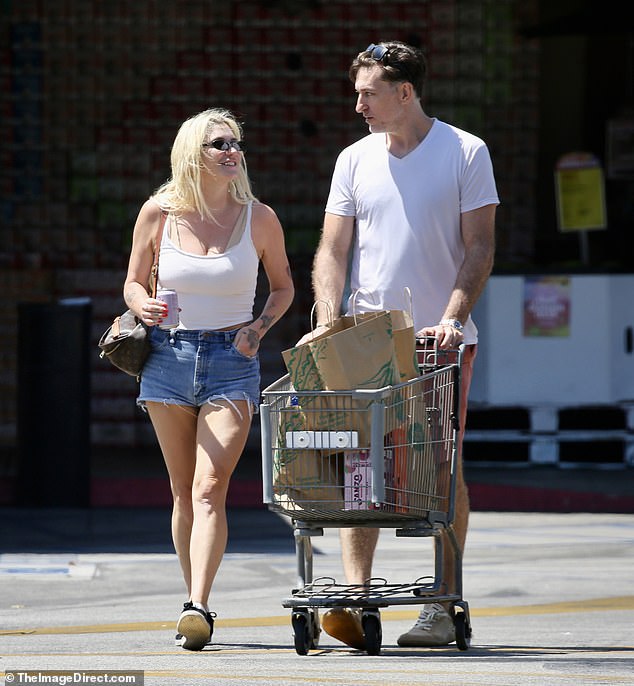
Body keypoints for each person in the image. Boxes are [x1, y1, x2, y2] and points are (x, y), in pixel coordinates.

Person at [303, 41, 498, 649]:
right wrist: (330, 318)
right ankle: (358, 601)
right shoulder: (354, 159)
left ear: (404, 93)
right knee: (357, 465)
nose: (357, 102)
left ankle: (441, 604)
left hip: (438, 340)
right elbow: (333, 249)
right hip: (366, 338)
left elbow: (480, 248)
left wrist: (452, 316)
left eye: (368, 92)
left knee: (439, 470)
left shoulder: (465, 152)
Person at [123, 108, 294, 651]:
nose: (232, 152)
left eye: (237, 143)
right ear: (193, 153)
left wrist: (259, 329)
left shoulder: (259, 217)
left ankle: (199, 605)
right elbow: (130, 281)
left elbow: (284, 288)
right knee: (180, 492)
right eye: (220, 143)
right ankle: (188, 596)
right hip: (168, 358)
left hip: (231, 360)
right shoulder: (158, 213)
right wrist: (143, 304)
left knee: (209, 486)